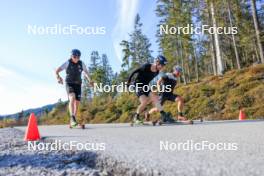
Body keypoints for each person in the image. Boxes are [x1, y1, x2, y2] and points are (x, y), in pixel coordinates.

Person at [55, 49, 93, 128]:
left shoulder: (81, 63)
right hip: (69, 83)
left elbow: (86, 72)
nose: (76, 58)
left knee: (77, 103)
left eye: (78, 57)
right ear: (71, 56)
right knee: (72, 98)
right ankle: (72, 118)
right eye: (74, 56)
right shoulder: (68, 62)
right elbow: (57, 70)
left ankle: (73, 121)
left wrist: (90, 80)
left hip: (78, 84)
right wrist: (58, 78)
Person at [127, 55, 168, 123]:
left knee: (155, 98)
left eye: (163, 66)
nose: (163, 67)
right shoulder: (146, 66)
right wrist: (128, 82)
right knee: (144, 102)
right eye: (162, 65)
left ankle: (164, 115)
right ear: (157, 63)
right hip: (138, 85)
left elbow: (148, 79)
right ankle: (136, 117)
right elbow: (134, 71)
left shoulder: (157, 72)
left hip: (146, 86)